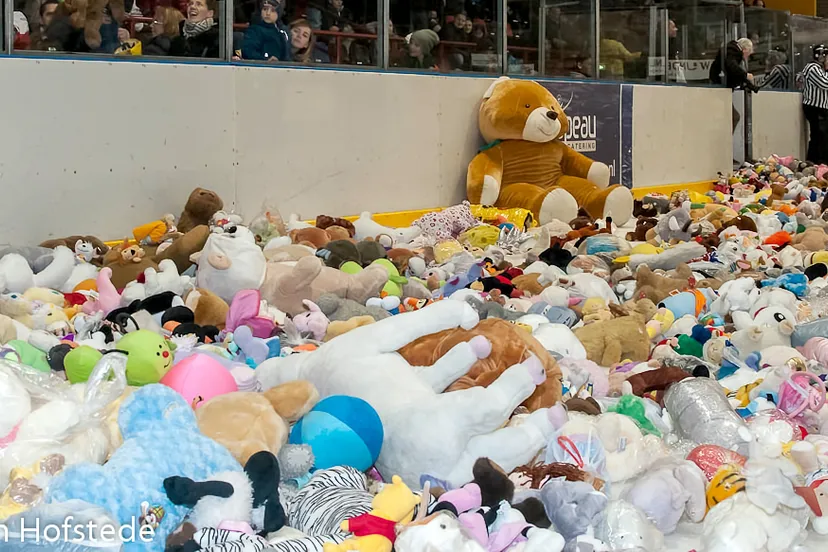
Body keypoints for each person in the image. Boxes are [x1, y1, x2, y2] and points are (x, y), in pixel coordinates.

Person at [710, 37, 759, 133]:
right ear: (745, 49)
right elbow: (733, 68)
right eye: (747, 54)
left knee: (733, 116)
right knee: (734, 116)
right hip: (720, 87)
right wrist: (746, 76)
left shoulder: (731, 51)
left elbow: (734, 72)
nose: (746, 57)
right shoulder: (733, 51)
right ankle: (724, 138)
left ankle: (724, 138)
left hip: (721, 86)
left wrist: (750, 85)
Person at [798, 45, 828, 163]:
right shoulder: (812, 67)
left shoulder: (820, 69)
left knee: (822, 136)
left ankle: (820, 162)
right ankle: (816, 162)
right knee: (819, 136)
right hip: (815, 107)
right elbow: (825, 84)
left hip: (822, 107)